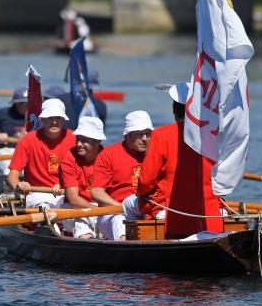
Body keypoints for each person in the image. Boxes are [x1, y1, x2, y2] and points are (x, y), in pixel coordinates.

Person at [131, 83, 224, 237]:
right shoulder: (214, 134)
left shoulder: (161, 135)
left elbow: (146, 181)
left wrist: (140, 192)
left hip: (174, 216)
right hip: (211, 214)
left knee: (130, 206)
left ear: (174, 110)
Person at [91, 110, 153, 240]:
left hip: (147, 209)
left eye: (148, 134)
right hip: (113, 212)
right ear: (127, 134)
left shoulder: (156, 154)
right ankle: (127, 249)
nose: (144, 139)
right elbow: (97, 193)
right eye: (139, 134)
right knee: (119, 221)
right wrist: (121, 208)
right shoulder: (108, 155)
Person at [7, 98, 77, 208]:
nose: (54, 121)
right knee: (47, 209)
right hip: (37, 194)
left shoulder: (75, 139)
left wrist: (67, 186)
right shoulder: (28, 140)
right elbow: (12, 176)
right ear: (42, 119)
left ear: (63, 119)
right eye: (50, 118)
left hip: (69, 192)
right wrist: (20, 185)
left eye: (58, 118)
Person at [59, 116, 106, 238]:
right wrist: (97, 212)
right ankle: (87, 238)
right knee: (81, 221)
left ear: (97, 141)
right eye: (78, 139)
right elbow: (73, 199)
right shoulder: (69, 158)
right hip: (76, 207)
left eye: (84, 140)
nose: (79, 144)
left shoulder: (108, 157)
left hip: (102, 208)